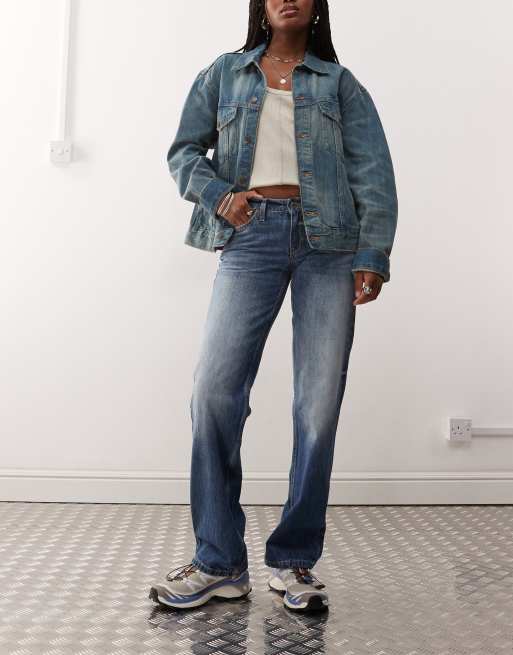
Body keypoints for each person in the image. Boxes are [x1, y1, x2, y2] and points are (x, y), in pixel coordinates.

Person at [149, 0, 398, 613]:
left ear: (317, 7)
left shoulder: (340, 84)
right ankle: (219, 562)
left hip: (330, 246)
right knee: (214, 392)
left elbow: (373, 172)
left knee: (318, 405)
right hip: (250, 237)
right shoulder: (224, 73)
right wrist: (220, 195)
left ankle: (294, 562)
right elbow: (184, 152)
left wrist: (373, 253)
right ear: (260, 5)